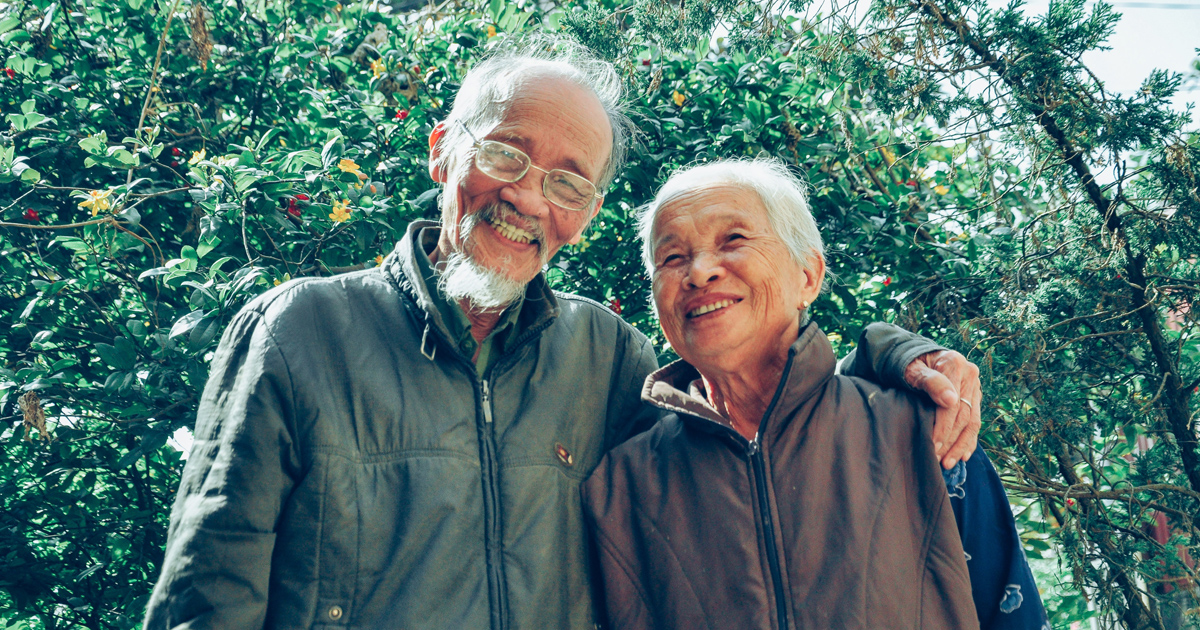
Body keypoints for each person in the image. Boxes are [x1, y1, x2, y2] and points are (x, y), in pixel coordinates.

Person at [144, 42, 984, 630]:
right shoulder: (302, 331)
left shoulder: (609, 357)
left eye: (567, 182)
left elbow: (754, 425)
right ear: (444, 153)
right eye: (506, 156)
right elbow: (206, 596)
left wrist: (895, 356)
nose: (529, 199)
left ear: (584, 214)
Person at [581, 158, 1047, 630]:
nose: (699, 272)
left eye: (734, 240)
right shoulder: (621, 486)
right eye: (673, 257)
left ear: (807, 276)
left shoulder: (921, 431)